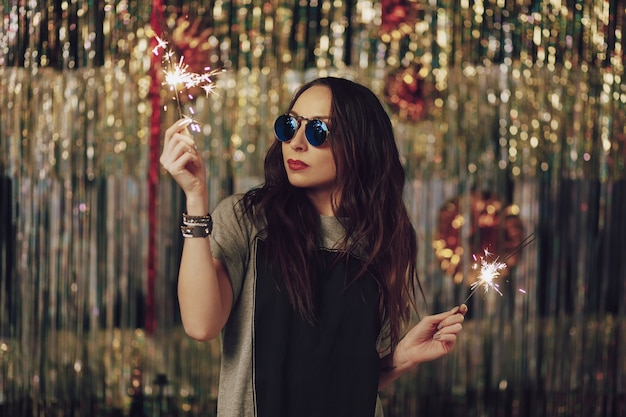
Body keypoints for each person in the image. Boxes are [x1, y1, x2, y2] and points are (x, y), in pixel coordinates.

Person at [160, 77, 467, 417]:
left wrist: (403, 357)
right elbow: (201, 325)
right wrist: (195, 198)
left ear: (360, 144)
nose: (296, 143)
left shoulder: (381, 240)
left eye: (318, 130)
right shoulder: (249, 220)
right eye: (289, 125)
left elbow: (343, 379)